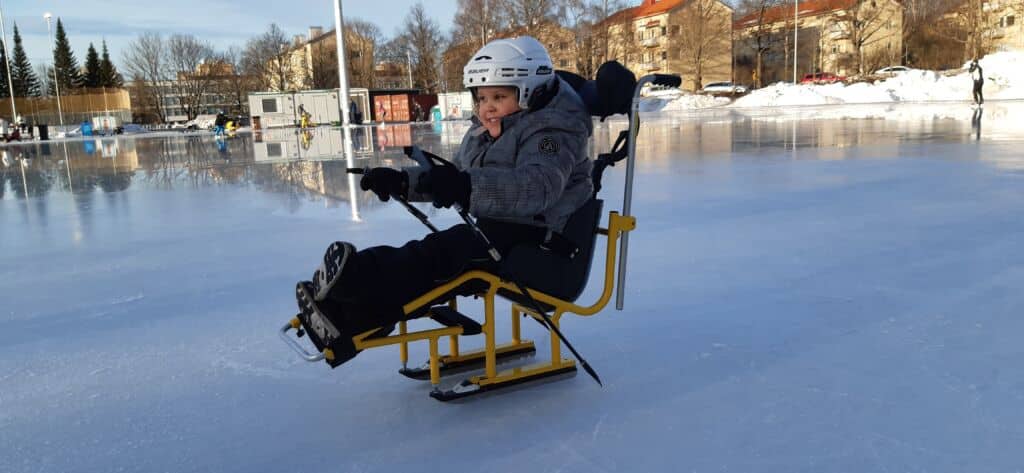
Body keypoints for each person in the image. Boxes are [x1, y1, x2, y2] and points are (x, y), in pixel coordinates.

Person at [294, 36, 594, 367]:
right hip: (504, 233)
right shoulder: (489, 129)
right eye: (481, 98)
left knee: (440, 257)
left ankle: (353, 294)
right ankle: (343, 308)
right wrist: (404, 181)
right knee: (436, 254)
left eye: (499, 96)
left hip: (545, 248)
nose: (487, 107)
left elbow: (536, 188)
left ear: (530, 92)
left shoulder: (553, 134)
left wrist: (465, 186)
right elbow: (452, 175)